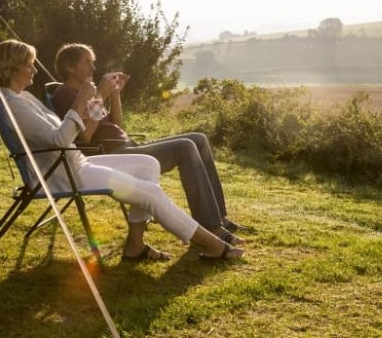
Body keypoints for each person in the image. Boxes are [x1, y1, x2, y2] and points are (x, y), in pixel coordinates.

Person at [0, 39, 243, 261]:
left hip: (78, 161)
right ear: (12, 67)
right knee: (152, 190)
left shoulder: (24, 98)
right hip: (65, 171)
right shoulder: (34, 100)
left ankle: (136, 244)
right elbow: (71, 137)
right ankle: (212, 242)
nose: (33, 68)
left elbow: (113, 127)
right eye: (28, 63)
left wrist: (113, 95)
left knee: (150, 164)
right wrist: (93, 96)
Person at [51, 43, 248, 246]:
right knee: (185, 147)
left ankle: (219, 217)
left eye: (93, 63)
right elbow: (86, 136)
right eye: (87, 63)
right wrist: (100, 94)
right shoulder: (66, 94)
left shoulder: (88, 93)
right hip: (112, 155)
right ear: (70, 68)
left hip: (128, 145)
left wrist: (115, 94)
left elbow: (116, 126)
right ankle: (211, 226)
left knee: (199, 138)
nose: (93, 68)